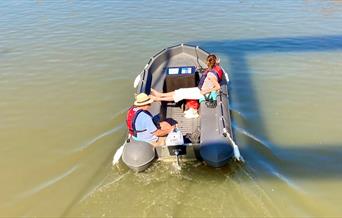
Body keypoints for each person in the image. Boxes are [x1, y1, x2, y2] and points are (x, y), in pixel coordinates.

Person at [149, 54, 222, 103]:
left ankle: (158, 98)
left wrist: (206, 91)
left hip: (202, 93)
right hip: (200, 89)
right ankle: (160, 95)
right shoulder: (214, 69)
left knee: (180, 95)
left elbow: (217, 87)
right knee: (180, 91)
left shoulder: (211, 75)